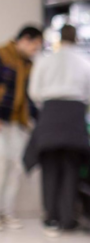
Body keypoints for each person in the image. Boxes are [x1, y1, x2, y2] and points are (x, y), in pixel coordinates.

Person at [26, 24, 90, 236]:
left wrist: (48, 108)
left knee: (49, 169)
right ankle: (68, 219)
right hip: (74, 117)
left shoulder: (45, 61)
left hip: (49, 115)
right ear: (76, 38)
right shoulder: (86, 62)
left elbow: (34, 92)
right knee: (71, 169)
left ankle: (51, 219)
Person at [0, 25, 43, 231]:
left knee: (15, 168)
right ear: (25, 39)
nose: (36, 51)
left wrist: (40, 119)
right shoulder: (2, 56)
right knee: (0, 168)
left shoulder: (28, 65)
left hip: (17, 123)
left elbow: (28, 98)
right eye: (35, 46)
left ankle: (6, 213)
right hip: (1, 122)